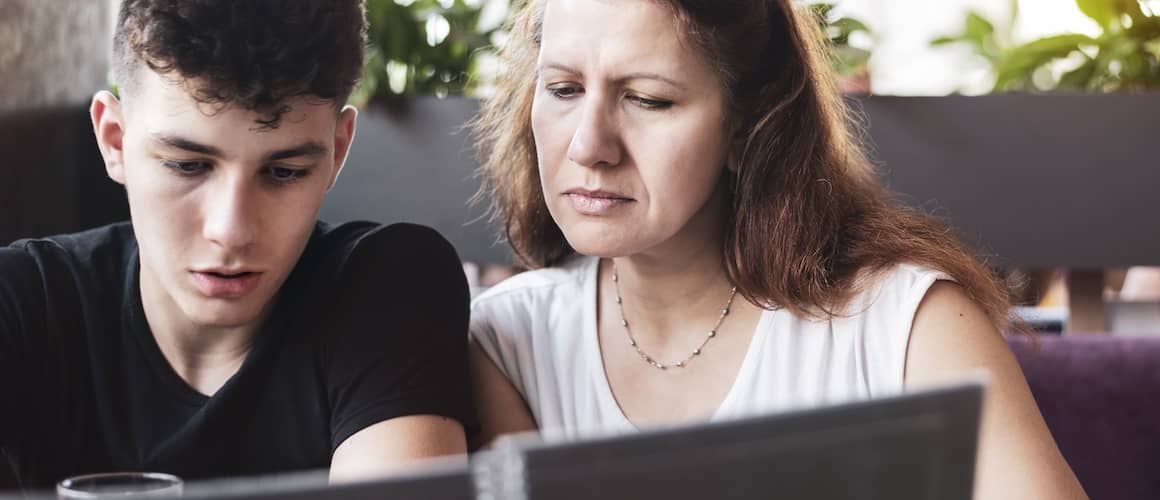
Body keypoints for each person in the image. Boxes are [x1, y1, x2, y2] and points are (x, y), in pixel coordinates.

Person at [467, 0, 1086, 498]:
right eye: (563, 89)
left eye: (647, 99)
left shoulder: (906, 322)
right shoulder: (504, 341)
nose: (588, 145)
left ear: (748, 123)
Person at [0, 0, 474, 489]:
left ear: (336, 152)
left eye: (285, 172)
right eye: (188, 165)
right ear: (115, 140)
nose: (231, 230)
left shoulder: (388, 284)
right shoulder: (22, 300)